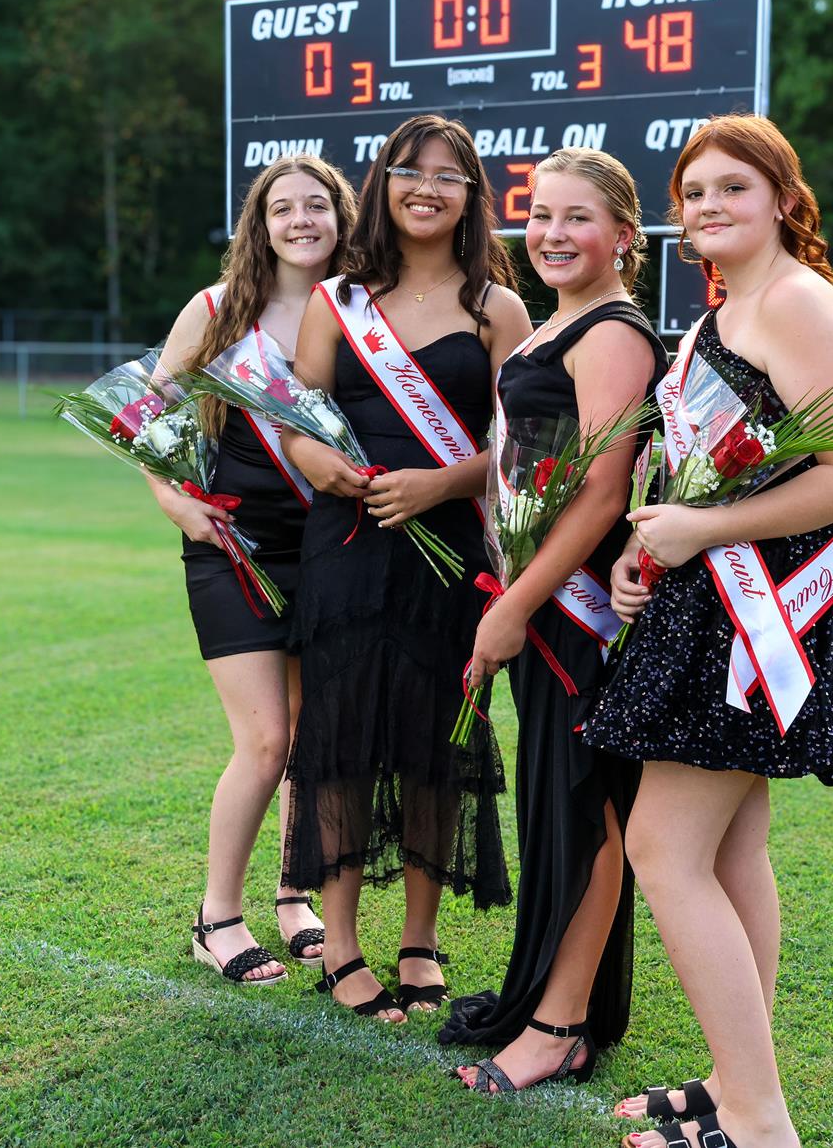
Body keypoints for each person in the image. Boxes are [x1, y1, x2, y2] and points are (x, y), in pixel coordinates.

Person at [582, 115, 833, 1148]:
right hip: (706, 598)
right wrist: (648, 547)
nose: (707, 207)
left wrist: (700, 528)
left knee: (665, 850)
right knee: (729, 849)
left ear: (784, 204)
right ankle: (729, 1081)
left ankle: (758, 1123)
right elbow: (706, 462)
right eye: (694, 192)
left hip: (760, 612)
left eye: (732, 190)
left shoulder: (798, 305)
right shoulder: (728, 307)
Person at [280, 114, 530, 1023]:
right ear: (383, 183)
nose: (427, 187)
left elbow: (521, 449)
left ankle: (419, 940)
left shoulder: (497, 309)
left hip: (450, 550)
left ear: (471, 196)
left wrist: (440, 485)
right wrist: (320, 467)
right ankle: (339, 946)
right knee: (343, 741)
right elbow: (293, 414)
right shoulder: (337, 299)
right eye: (409, 171)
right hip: (347, 544)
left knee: (438, 741)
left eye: (448, 175)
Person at [439, 149, 667, 1091]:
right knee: (556, 805)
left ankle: (564, 1025)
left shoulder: (613, 332)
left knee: (587, 810)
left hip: (575, 617)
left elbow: (604, 488)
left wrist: (518, 606)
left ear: (624, 236)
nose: (553, 235)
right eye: (540, 216)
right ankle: (545, 995)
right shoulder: (549, 328)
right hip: (536, 601)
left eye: (579, 219)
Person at [150, 154, 356, 986]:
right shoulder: (215, 310)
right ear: (259, 224)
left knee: (313, 736)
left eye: (318, 206)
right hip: (232, 543)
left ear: (342, 218)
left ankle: (293, 896)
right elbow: (145, 414)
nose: (301, 220)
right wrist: (172, 501)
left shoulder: (357, 310)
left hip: (329, 544)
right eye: (283, 209)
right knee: (266, 739)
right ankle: (216, 917)